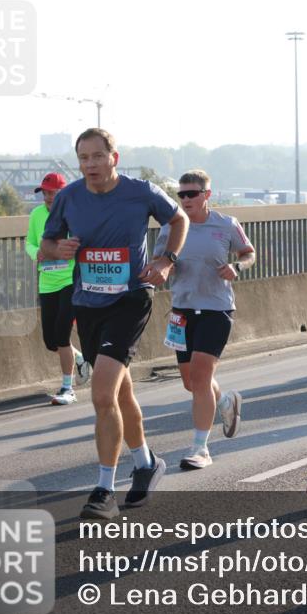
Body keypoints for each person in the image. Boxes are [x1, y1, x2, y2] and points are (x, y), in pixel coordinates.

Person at [42, 128, 189, 519]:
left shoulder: (140, 192)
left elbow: (180, 220)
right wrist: (60, 248)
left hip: (130, 298)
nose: (89, 164)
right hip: (88, 303)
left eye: (96, 156)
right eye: (83, 158)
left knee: (102, 393)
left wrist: (165, 261)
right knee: (120, 395)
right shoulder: (69, 197)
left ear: (114, 158)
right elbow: (46, 249)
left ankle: (104, 490)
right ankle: (146, 463)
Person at [154, 170, 253, 470]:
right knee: (192, 382)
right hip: (182, 311)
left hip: (216, 309)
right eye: (181, 194)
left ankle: (201, 449)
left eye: (191, 194)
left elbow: (249, 253)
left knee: (200, 375)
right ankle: (225, 402)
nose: (185, 200)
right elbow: (160, 263)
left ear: (207, 194)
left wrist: (238, 266)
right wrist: (157, 272)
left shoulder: (225, 224)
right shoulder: (171, 228)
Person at [25, 172, 90, 405]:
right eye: (45, 192)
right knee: (51, 341)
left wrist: (61, 249)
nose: (48, 197)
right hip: (47, 281)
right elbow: (30, 242)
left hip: (70, 279)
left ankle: (67, 387)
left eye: (53, 192)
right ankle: (80, 359)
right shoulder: (36, 214)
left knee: (62, 334)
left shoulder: (73, 214)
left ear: (63, 193)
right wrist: (37, 253)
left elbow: (78, 243)